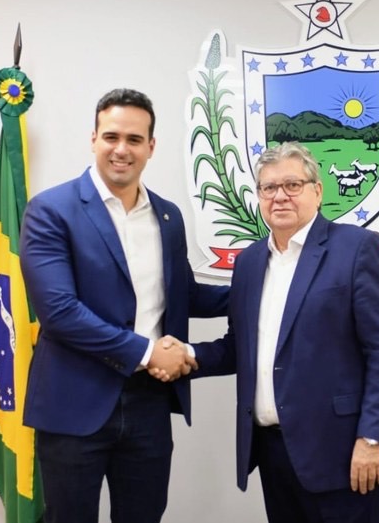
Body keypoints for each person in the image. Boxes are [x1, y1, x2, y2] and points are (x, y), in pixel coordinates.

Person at [19, 88, 230, 523]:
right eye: (111, 136)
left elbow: (184, 295)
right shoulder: (51, 211)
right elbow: (59, 312)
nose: (122, 149)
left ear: (151, 146)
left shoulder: (168, 217)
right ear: (93, 139)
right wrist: (150, 352)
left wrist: (263, 287)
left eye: (134, 139)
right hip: (74, 403)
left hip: (148, 404)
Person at [189, 141, 379, 523]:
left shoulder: (356, 249)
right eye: (269, 187)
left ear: (317, 191)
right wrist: (187, 356)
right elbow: (240, 348)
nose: (280, 196)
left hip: (342, 452)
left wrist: (372, 437)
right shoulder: (249, 262)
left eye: (292, 185)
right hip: (273, 452)